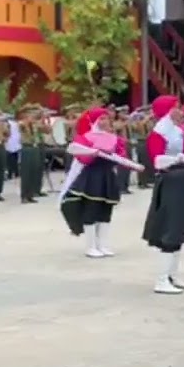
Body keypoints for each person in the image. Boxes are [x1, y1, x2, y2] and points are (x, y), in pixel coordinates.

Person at [142, 96, 184, 295]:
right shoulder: (158, 133)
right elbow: (157, 161)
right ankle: (161, 279)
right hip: (170, 181)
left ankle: (172, 275)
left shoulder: (178, 131)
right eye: (177, 108)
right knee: (171, 227)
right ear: (168, 111)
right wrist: (180, 158)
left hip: (183, 180)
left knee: (180, 228)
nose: (181, 111)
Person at [61, 106, 139, 258]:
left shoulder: (114, 138)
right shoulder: (85, 137)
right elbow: (82, 158)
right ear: (93, 121)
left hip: (108, 176)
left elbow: (121, 157)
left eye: (107, 118)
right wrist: (94, 152)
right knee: (91, 210)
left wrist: (128, 163)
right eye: (101, 118)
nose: (106, 121)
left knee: (106, 211)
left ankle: (102, 244)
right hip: (91, 177)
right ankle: (90, 246)